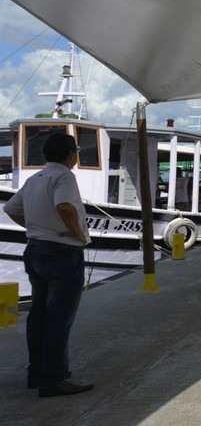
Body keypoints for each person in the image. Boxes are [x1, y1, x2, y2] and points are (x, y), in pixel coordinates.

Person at [3, 132, 95, 397]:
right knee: (59, 319)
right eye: (76, 151)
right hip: (62, 252)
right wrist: (77, 234)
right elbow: (65, 207)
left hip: (35, 250)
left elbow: (11, 208)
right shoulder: (64, 176)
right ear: (70, 154)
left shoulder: (36, 178)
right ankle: (53, 378)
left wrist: (35, 228)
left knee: (39, 315)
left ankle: (37, 372)